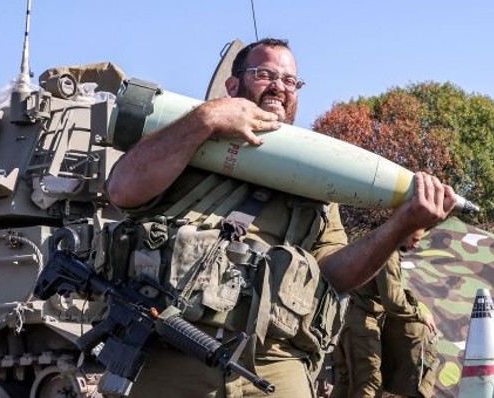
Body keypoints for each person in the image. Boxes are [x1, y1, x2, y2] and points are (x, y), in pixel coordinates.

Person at [105, 38, 456, 397]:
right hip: (175, 351)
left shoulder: (318, 180)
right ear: (233, 84)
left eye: (290, 81)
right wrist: (206, 118)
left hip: (273, 362)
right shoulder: (189, 146)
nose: (279, 86)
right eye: (264, 74)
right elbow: (123, 189)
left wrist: (401, 226)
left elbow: (335, 273)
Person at [332, 230, 439, 398]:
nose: (416, 245)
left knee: (347, 381)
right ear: (405, 228)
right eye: (414, 239)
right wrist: (420, 315)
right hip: (361, 320)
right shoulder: (388, 252)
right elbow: (393, 301)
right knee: (369, 382)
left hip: (346, 316)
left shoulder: (377, 242)